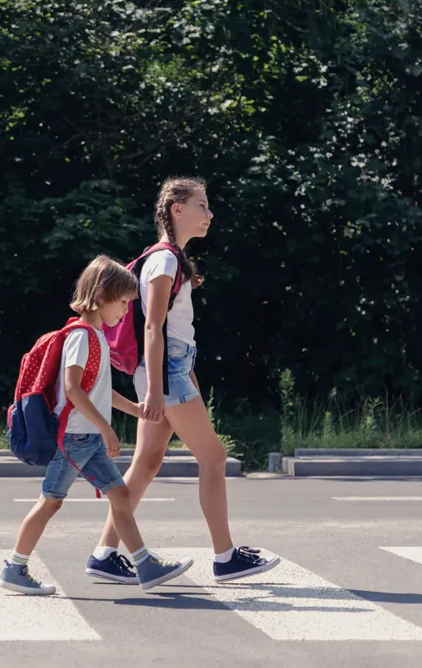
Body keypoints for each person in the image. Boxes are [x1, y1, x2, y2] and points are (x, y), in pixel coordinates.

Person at [84, 177, 280, 584]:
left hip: (171, 369)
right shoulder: (166, 260)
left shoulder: (169, 259)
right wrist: (158, 389)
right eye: (202, 206)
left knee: (147, 462)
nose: (209, 214)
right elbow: (153, 327)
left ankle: (104, 554)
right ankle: (225, 557)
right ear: (177, 208)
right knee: (214, 458)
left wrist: (178, 375)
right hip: (164, 371)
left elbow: (171, 330)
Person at [0, 255, 192, 595]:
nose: (124, 312)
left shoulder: (96, 337)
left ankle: (145, 565)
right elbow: (73, 389)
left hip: (85, 438)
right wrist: (106, 428)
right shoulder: (81, 336)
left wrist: (134, 409)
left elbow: (98, 390)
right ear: (101, 296)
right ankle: (15, 567)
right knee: (50, 502)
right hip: (74, 438)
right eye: (122, 303)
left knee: (119, 495)